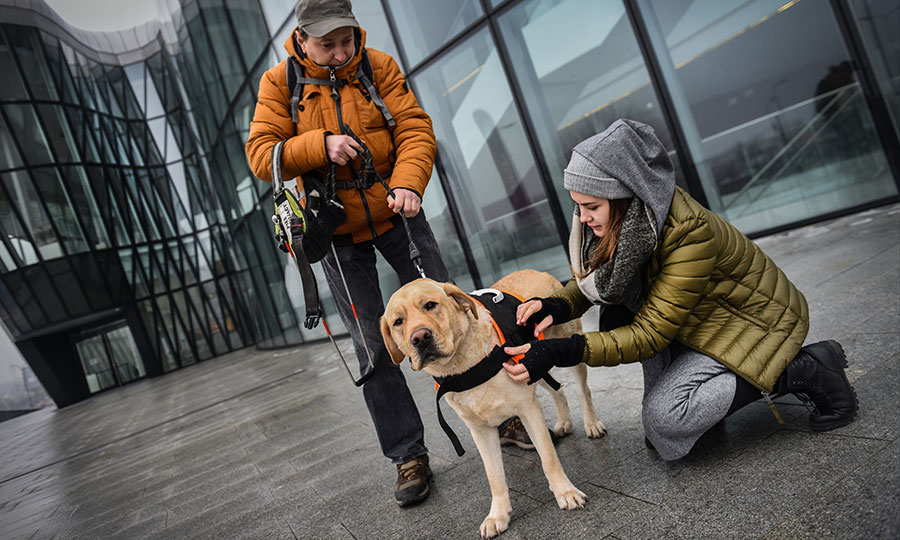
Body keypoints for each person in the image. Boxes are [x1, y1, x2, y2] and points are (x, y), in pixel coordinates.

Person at [501, 119, 858, 461]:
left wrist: (561, 351)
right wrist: (556, 306)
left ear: (625, 196)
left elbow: (651, 334)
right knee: (661, 435)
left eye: (592, 207)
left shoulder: (687, 233)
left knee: (667, 419)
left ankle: (806, 368)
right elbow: (595, 284)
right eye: (577, 206)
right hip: (699, 323)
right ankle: (711, 402)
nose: (582, 219)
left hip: (755, 323)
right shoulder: (631, 225)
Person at [245, 0, 449, 505]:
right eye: (327, 43)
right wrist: (321, 145)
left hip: (399, 212)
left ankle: (497, 411)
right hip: (336, 235)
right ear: (302, 39)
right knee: (373, 347)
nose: (340, 53)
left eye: (346, 40)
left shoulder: (378, 66)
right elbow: (260, 154)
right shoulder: (279, 84)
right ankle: (409, 456)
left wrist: (408, 185)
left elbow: (415, 128)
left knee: (451, 313)